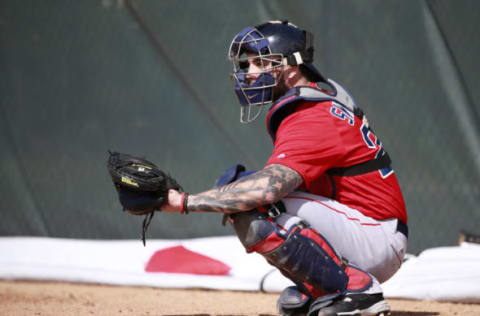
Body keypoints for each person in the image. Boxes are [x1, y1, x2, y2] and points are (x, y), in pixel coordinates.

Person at [160, 20, 408, 316]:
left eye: (261, 62)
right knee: (240, 186)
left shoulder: (311, 114)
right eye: (247, 63)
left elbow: (267, 189)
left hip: (375, 238)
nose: (248, 72)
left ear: (292, 67)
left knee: (252, 202)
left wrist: (183, 202)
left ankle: (356, 289)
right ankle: (322, 287)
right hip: (364, 228)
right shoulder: (312, 100)